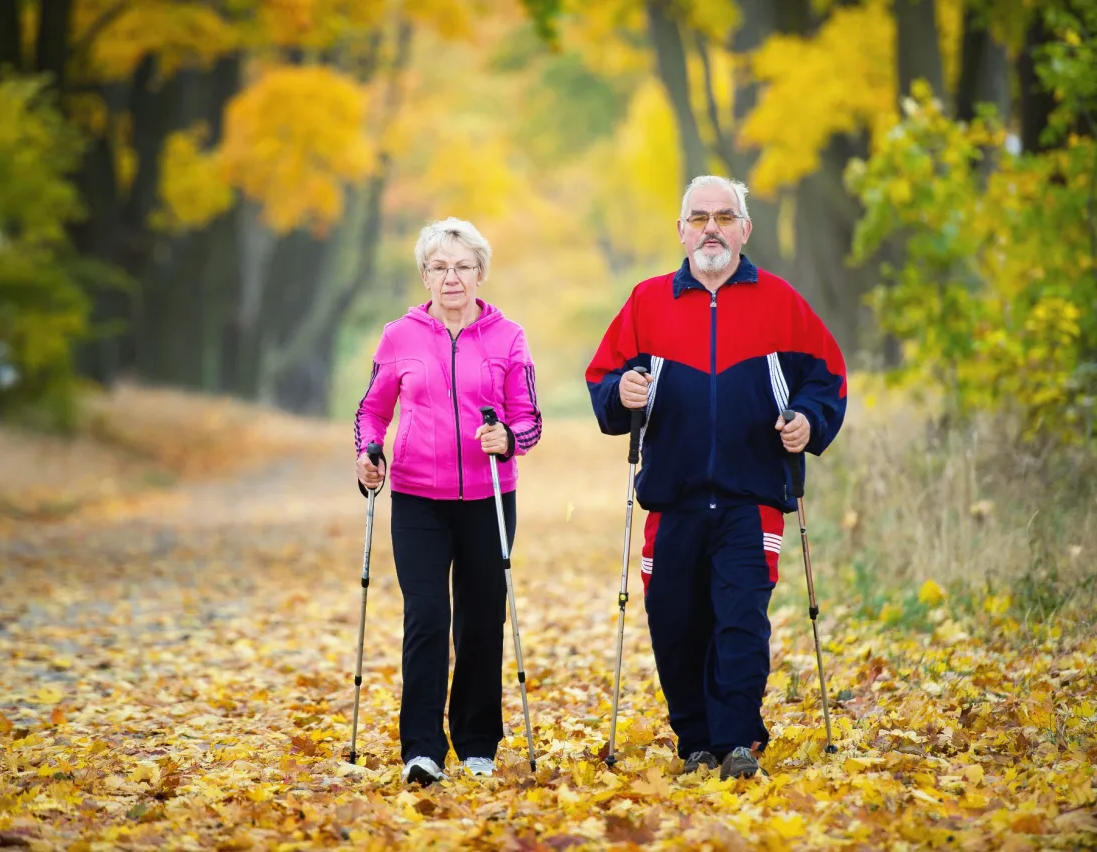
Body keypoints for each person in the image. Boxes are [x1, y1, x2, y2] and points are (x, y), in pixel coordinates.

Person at [584, 175, 848, 780]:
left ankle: (736, 742)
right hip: (670, 499)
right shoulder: (647, 302)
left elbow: (827, 375)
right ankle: (695, 739)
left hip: (751, 496)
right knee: (674, 620)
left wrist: (808, 420)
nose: (712, 228)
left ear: (744, 230)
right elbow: (603, 380)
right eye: (699, 217)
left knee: (740, 618)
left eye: (725, 217)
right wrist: (620, 393)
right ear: (680, 232)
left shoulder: (780, 301)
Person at [354, 217, 543, 785]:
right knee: (429, 617)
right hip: (417, 499)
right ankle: (422, 748)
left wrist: (508, 438)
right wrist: (369, 450)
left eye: (462, 267)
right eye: (439, 267)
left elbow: (529, 419)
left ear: (481, 273)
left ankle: (479, 741)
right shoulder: (399, 336)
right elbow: (372, 410)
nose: (451, 277)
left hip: (488, 496)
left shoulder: (508, 337)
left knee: (483, 621)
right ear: (425, 275)